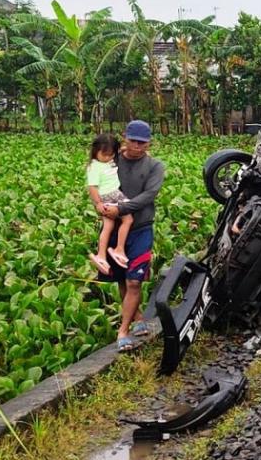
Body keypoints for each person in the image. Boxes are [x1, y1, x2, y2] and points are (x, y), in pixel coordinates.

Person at [99, 120, 165, 351]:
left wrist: (120, 209)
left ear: (149, 143)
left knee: (134, 280)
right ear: (124, 137)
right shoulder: (112, 161)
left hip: (141, 229)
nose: (137, 146)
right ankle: (137, 319)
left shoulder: (155, 166)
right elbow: (97, 183)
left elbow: (149, 195)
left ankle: (123, 331)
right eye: (133, 141)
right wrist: (101, 206)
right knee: (122, 280)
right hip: (113, 229)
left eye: (142, 143)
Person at [87, 134, 135, 276]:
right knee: (128, 219)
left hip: (110, 195)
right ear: (95, 151)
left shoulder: (109, 160)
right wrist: (98, 203)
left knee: (108, 226)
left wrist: (127, 147)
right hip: (111, 196)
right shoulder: (94, 167)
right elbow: (92, 187)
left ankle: (101, 256)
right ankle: (119, 249)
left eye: (110, 154)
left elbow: (119, 150)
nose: (107, 157)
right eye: (104, 154)